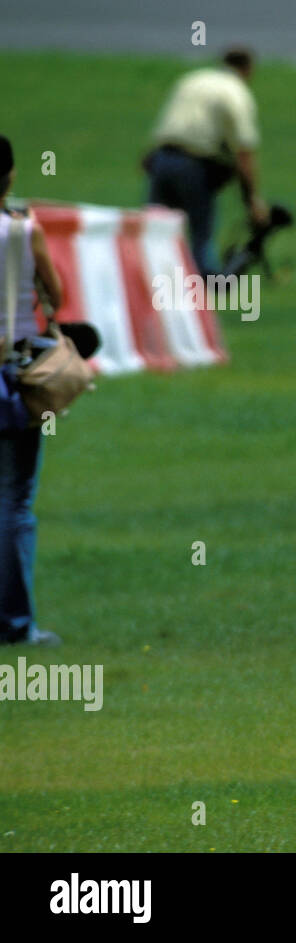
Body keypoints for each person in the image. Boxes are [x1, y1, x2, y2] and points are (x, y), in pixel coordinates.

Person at [0, 135, 64, 646]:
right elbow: (56, 294)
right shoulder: (23, 230)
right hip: (12, 374)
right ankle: (15, 624)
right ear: (11, 175)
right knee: (14, 501)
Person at [143, 47, 267, 278]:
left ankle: (149, 288)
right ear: (248, 69)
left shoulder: (192, 80)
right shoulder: (236, 92)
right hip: (194, 166)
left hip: (161, 159)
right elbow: (244, 152)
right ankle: (199, 295)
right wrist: (252, 201)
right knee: (201, 237)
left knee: (153, 233)